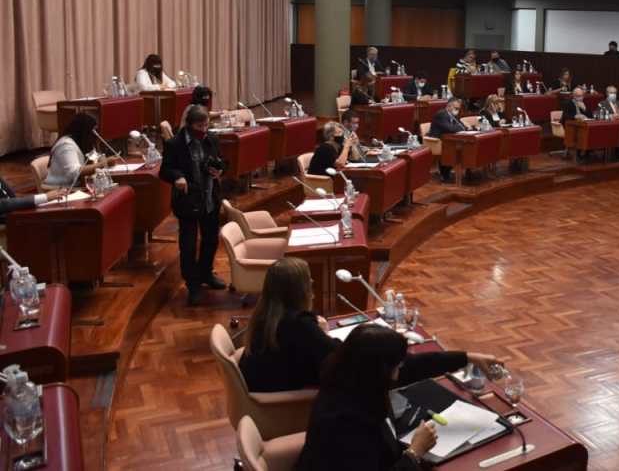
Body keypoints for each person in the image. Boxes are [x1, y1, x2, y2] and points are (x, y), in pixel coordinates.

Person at [295, 323, 504, 471]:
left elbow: (416, 366)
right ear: (380, 370)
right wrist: (415, 452)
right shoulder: (347, 422)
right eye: (397, 365)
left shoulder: (349, 378)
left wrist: (469, 358)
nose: (401, 369)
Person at [159, 105, 227, 306]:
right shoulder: (175, 144)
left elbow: (221, 161)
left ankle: (206, 274)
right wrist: (178, 176)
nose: (203, 129)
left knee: (211, 240)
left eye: (206, 125)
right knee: (188, 246)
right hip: (187, 201)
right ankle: (193, 285)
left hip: (209, 198)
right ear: (189, 125)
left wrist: (219, 170)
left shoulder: (212, 139)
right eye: (199, 125)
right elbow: (165, 170)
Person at [239, 258, 338, 392]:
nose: (312, 282)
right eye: (308, 279)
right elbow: (337, 354)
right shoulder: (299, 323)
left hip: (260, 382)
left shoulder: (265, 313)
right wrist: (324, 332)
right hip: (277, 398)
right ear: (299, 289)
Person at [44, 113, 117, 188]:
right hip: (61, 189)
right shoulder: (66, 145)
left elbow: (94, 157)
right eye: (93, 131)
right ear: (84, 130)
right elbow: (74, 173)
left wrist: (101, 158)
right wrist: (103, 164)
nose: (95, 134)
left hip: (77, 185)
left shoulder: (81, 142)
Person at [429, 98, 468, 182]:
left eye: (458, 108)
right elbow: (450, 128)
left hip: (447, 139)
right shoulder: (441, 114)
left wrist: (461, 128)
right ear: (449, 106)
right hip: (436, 140)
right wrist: (459, 128)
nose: (457, 110)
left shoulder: (452, 115)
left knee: (464, 145)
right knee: (450, 147)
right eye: (456, 108)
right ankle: (445, 174)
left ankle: (465, 169)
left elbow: (463, 127)